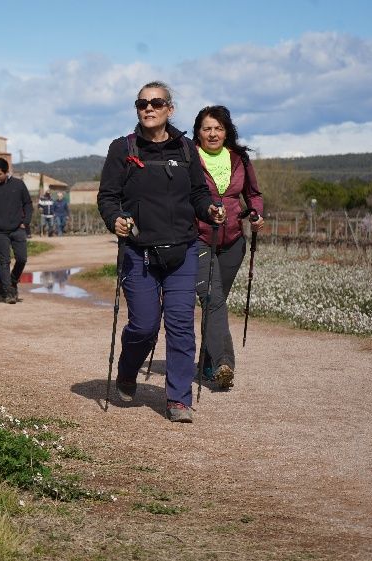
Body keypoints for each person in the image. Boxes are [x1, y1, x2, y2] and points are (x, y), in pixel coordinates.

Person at [97, 80, 225, 423]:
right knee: (144, 325)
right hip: (139, 252)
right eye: (142, 104)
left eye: (156, 103)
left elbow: (198, 194)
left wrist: (210, 209)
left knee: (181, 325)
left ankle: (178, 399)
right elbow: (107, 197)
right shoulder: (122, 148)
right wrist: (115, 220)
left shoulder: (185, 149)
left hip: (181, 252)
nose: (148, 108)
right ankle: (127, 370)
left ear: (170, 109)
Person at [192, 105, 264, 390]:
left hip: (234, 242)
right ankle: (224, 363)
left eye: (218, 128)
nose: (212, 133)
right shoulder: (189, 158)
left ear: (227, 131)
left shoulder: (240, 159)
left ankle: (205, 364)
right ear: (198, 131)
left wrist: (257, 214)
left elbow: (254, 195)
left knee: (216, 303)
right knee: (213, 299)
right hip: (198, 240)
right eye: (207, 128)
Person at [0, 157, 33, 304]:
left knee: (22, 259)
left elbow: (28, 204)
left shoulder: (18, 185)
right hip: (0, 232)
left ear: (7, 172)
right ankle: (9, 293)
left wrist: (25, 222)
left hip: (18, 229)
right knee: (4, 262)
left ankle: (13, 280)